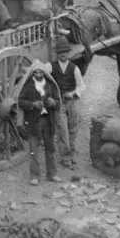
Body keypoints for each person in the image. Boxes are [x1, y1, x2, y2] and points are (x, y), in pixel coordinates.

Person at [47, 36, 85, 169]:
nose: (63, 54)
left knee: (73, 127)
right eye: (60, 52)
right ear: (57, 54)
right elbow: (40, 72)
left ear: (68, 53)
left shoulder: (74, 69)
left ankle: (72, 152)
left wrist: (73, 93)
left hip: (72, 102)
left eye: (65, 52)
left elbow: (81, 86)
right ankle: (65, 157)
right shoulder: (51, 67)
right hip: (59, 103)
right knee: (62, 130)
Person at [19, 62, 59, 186]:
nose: (38, 74)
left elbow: (58, 100)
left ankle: (52, 174)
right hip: (33, 122)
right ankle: (34, 176)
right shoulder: (28, 86)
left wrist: (53, 102)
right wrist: (32, 105)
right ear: (33, 73)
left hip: (47, 121)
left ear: (44, 73)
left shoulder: (50, 85)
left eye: (41, 72)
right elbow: (20, 101)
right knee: (33, 150)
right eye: (36, 72)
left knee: (50, 148)